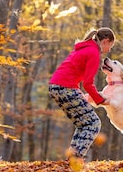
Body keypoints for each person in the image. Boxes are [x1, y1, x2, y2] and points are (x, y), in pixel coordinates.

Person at [48, 27, 116, 159]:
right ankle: (76, 160)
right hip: (64, 87)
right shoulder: (93, 53)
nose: (109, 50)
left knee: (83, 123)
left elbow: (75, 73)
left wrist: (85, 95)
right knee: (93, 123)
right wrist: (101, 100)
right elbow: (88, 83)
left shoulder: (85, 48)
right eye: (111, 46)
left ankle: (72, 159)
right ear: (106, 41)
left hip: (56, 86)